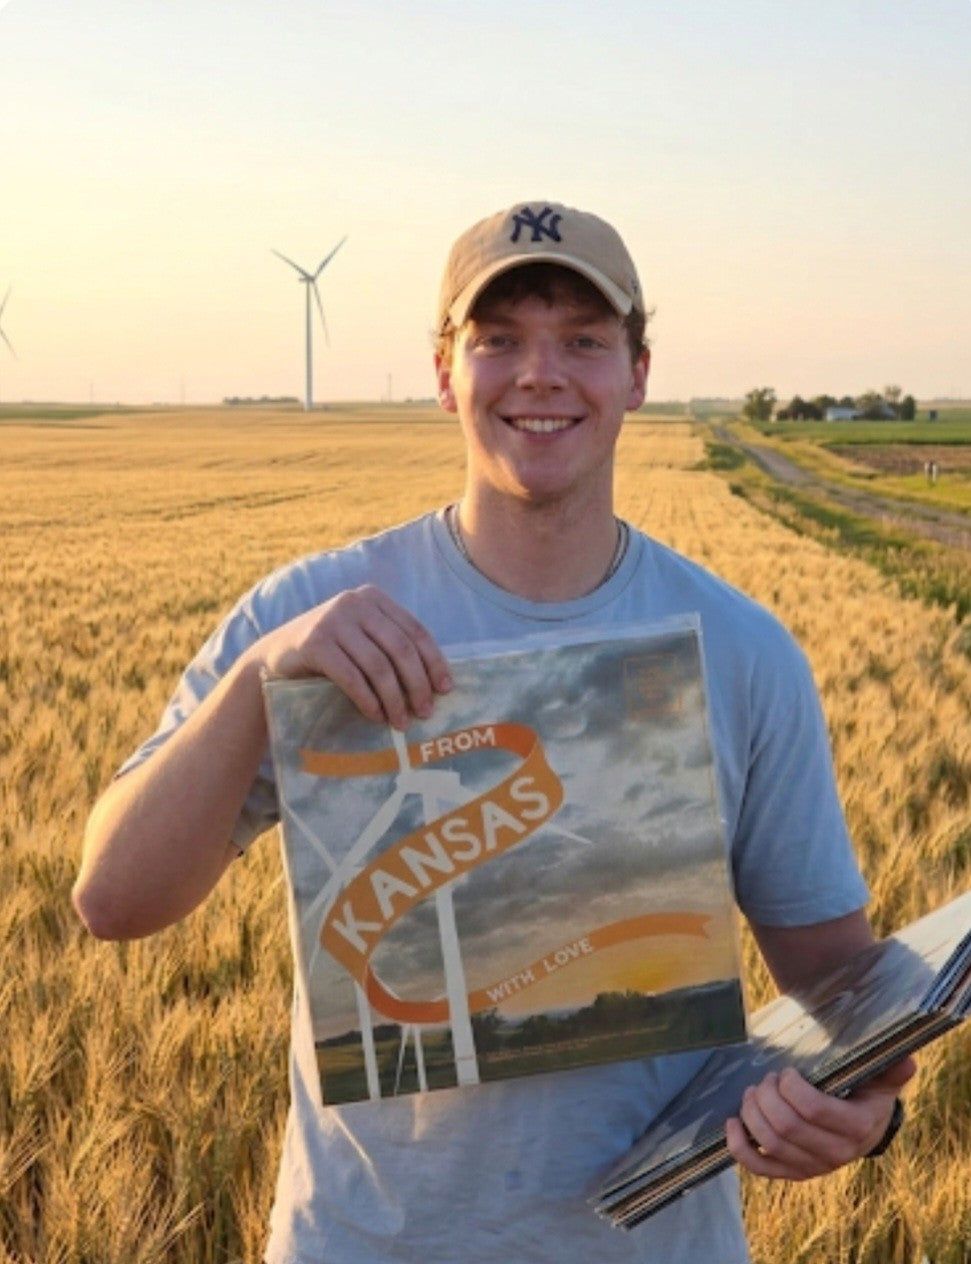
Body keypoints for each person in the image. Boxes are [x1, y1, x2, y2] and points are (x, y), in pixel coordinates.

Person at [74, 200, 914, 1264]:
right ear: (444, 374)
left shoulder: (742, 651)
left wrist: (867, 1115)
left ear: (637, 374)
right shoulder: (306, 619)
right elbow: (113, 901)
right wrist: (254, 681)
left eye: (582, 340)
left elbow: (842, 991)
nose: (539, 374)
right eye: (498, 339)